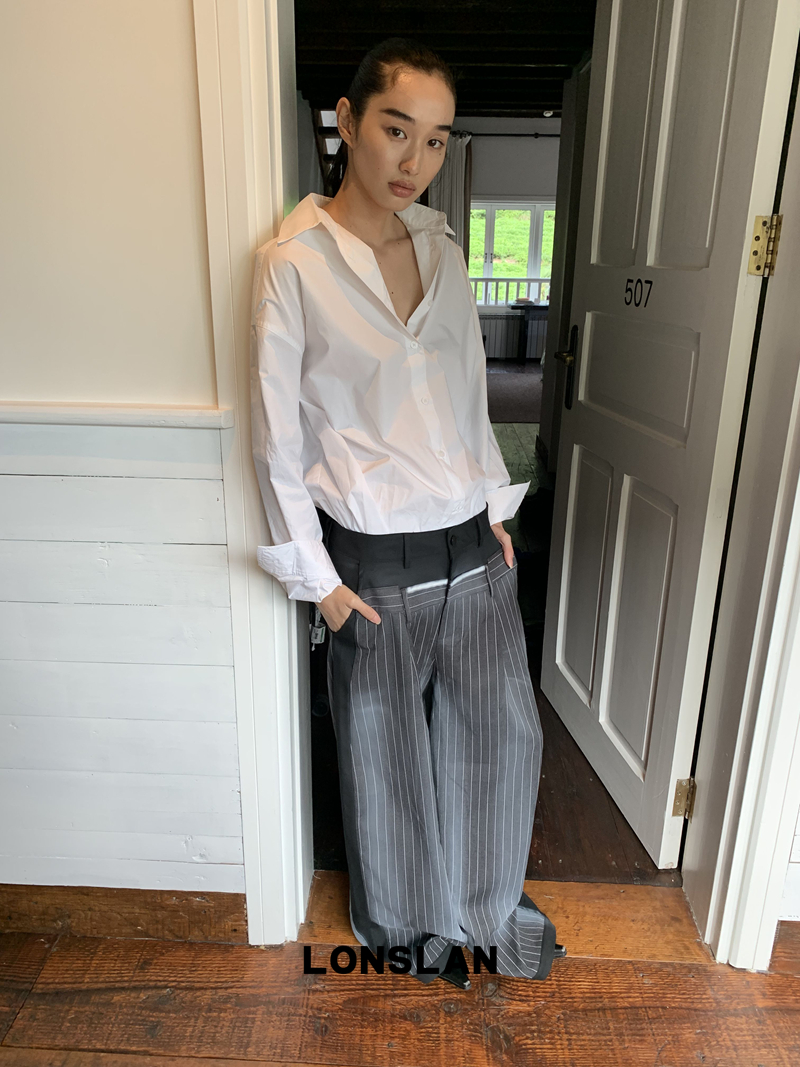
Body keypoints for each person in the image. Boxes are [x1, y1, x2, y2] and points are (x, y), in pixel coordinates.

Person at [250, 37, 563, 989]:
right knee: (386, 753)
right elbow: (276, 438)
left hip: (472, 543)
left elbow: (467, 390)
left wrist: (493, 504)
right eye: (396, 129)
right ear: (347, 122)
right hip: (371, 562)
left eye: (434, 140)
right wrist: (319, 583)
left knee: (500, 736)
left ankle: (488, 909)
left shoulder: (442, 247)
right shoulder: (293, 264)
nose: (414, 160)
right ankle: (406, 926)